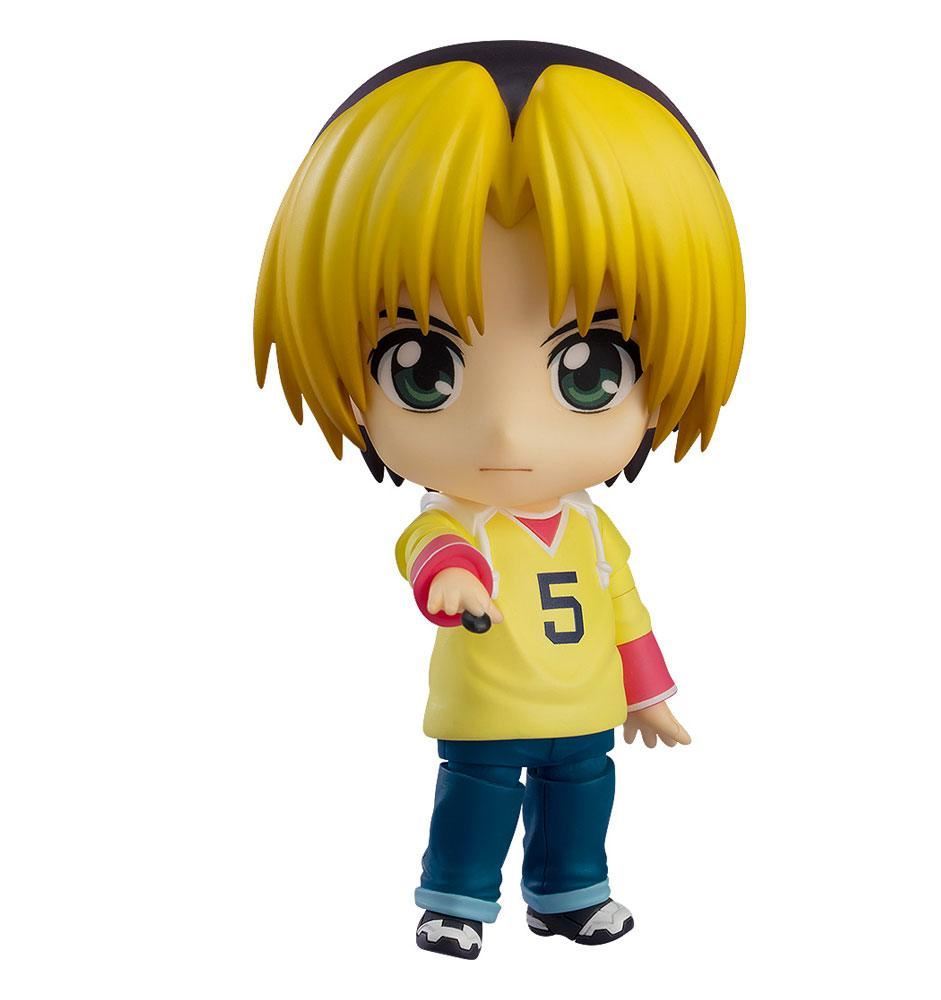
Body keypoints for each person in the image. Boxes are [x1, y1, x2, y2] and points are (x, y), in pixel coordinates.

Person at [254, 40, 745, 959]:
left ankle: (570, 893)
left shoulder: (593, 530)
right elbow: (433, 556)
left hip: (584, 711)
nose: (509, 434)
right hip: (487, 714)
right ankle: (456, 900)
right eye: (423, 369)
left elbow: (623, 608)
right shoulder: (456, 520)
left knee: (582, 801)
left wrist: (647, 694)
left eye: (590, 370)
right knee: (476, 803)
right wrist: (454, 584)